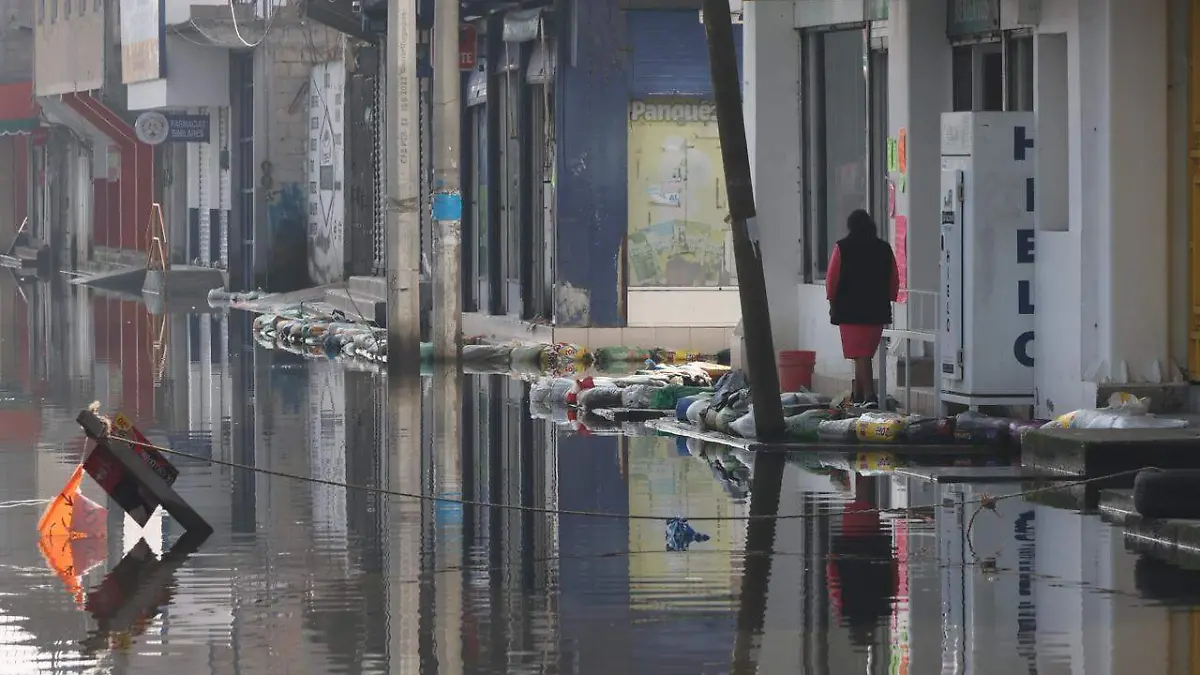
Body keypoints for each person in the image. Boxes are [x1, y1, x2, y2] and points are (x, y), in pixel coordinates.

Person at [826, 209, 900, 408]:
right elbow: (894, 277)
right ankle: (858, 394)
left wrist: (831, 300)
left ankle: (869, 396)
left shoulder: (842, 247)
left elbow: (832, 278)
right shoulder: (884, 248)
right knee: (863, 353)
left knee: (861, 354)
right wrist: (891, 297)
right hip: (877, 310)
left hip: (849, 311)